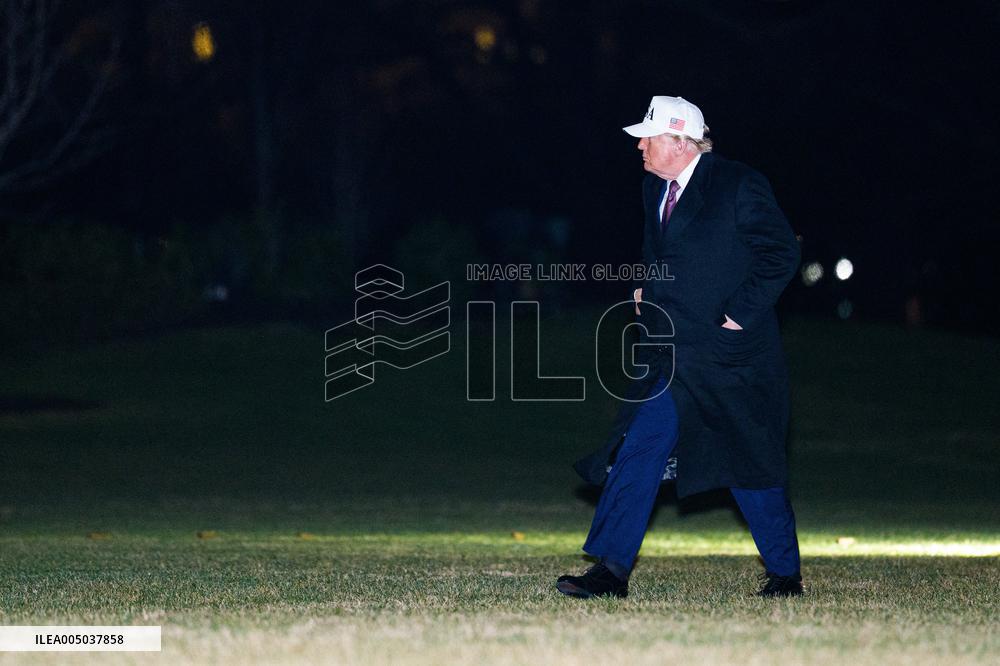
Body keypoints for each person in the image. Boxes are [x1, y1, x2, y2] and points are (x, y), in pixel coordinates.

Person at [557, 96, 803, 599]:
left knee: (750, 461)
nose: (640, 147)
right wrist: (645, 287)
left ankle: (784, 574)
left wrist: (738, 314)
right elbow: (658, 252)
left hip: (730, 358)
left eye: (647, 137)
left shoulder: (738, 183)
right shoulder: (654, 189)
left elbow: (781, 253)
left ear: (680, 140)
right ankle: (611, 570)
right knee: (639, 447)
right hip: (670, 354)